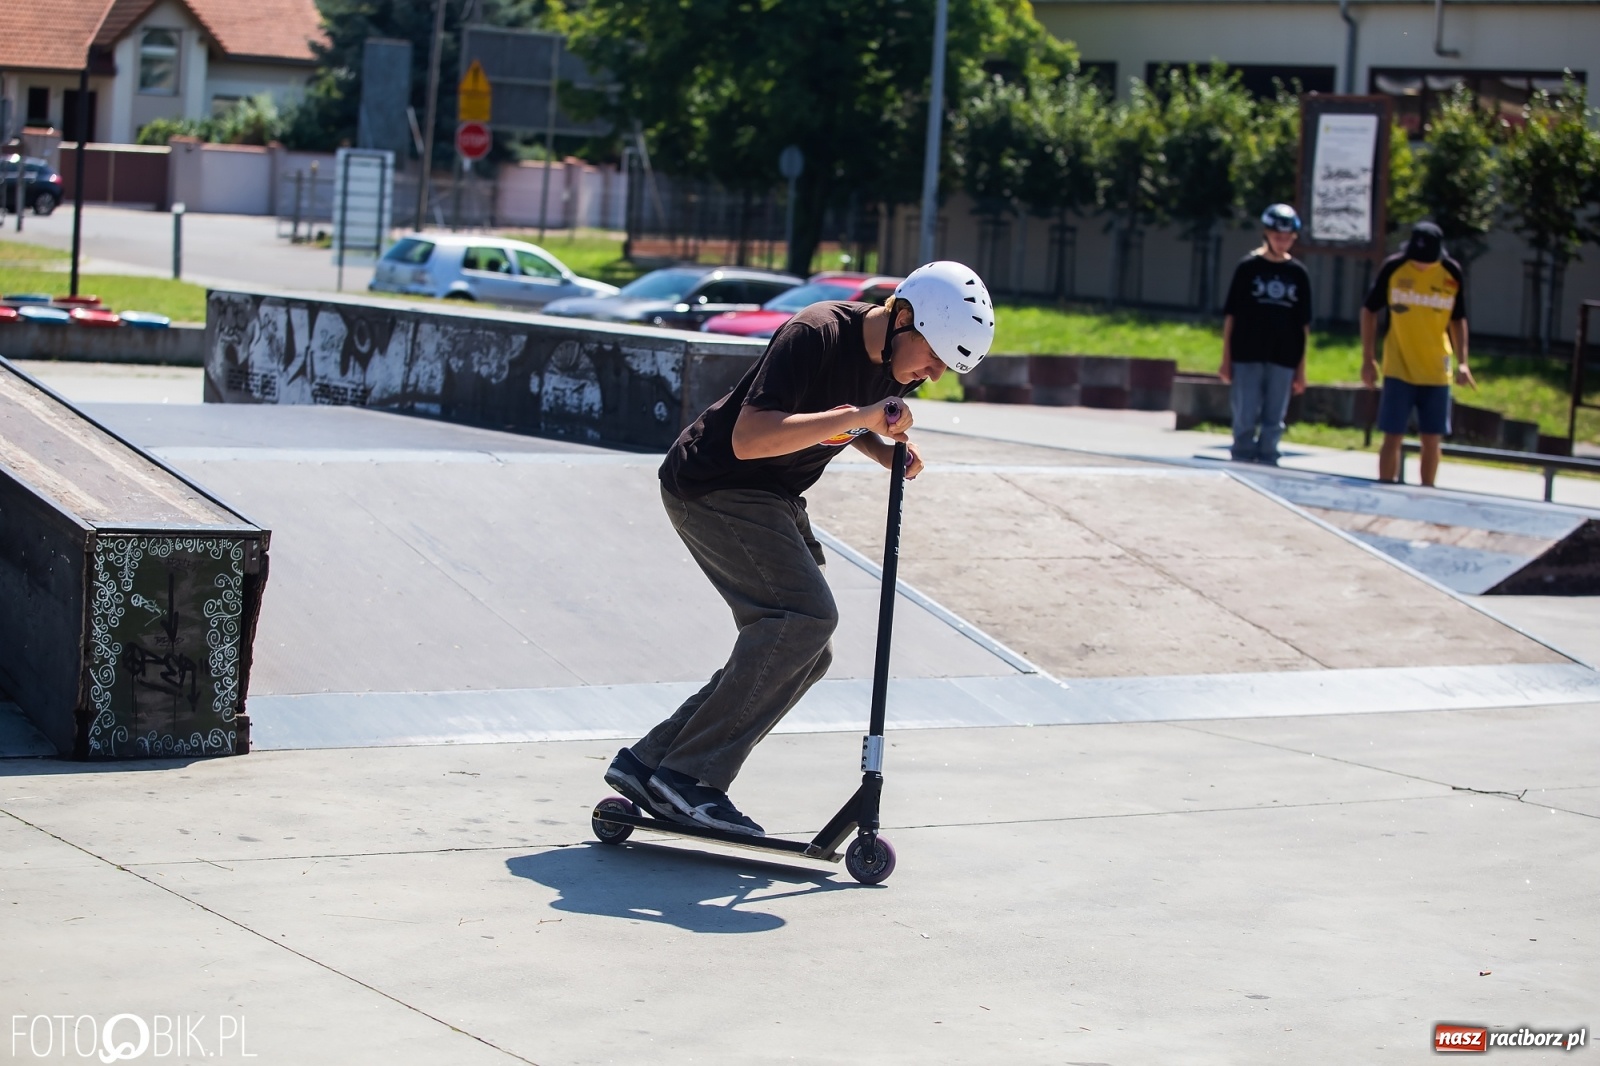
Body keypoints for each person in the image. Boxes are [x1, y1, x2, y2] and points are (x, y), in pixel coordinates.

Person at [602, 261, 996, 836]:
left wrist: (882, 451)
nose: (930, 377)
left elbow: (841, 420)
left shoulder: (897, 362)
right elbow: (750, 436)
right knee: (805, 619)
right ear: (902, 317)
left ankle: (651, 762)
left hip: (773, 496)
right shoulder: (815, 332)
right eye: (933, 359)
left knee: (806, 649)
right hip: (716, 483)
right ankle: (690, 778)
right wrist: (863, 417)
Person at [1361, 221, 1475, 486]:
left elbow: (1458, 319)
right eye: (1416, 259)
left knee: (1432, 438)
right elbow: (1369, 310)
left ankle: (1427, 492)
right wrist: (1368, 358)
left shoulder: (1451, 273)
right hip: (1398, 367)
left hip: (1436, 369)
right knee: (1392, 435)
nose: (1421, 265)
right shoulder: (1394, 268)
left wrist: (1463, 362)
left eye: (1427, 261)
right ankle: (1386, 487)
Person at [1218, 203, 1312, 465]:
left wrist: (1301, 368)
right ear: (1266, 234)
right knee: (1245, 414)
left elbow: (1303, 324)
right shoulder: (1248, 267)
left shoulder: (1298, 273)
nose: (1282, 242)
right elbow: (1231, 316)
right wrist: (1226, 358)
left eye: (1287, 238)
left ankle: (1270, 459)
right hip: (1247, 353)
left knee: (1274, 418)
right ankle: (1241, 458)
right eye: (1277, 237)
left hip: (1283, 356)